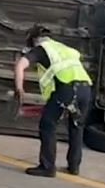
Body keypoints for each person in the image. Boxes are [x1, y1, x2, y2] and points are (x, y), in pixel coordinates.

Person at [14, 26, 95, 177]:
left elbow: (20, 65)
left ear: (33, 40)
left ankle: (47, 167)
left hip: (67, 88)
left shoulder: (40, 49)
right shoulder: (64, 48)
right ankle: (74, 166)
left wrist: (19, 88)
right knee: (76, 125)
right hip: (85, 88)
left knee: (48, 125)